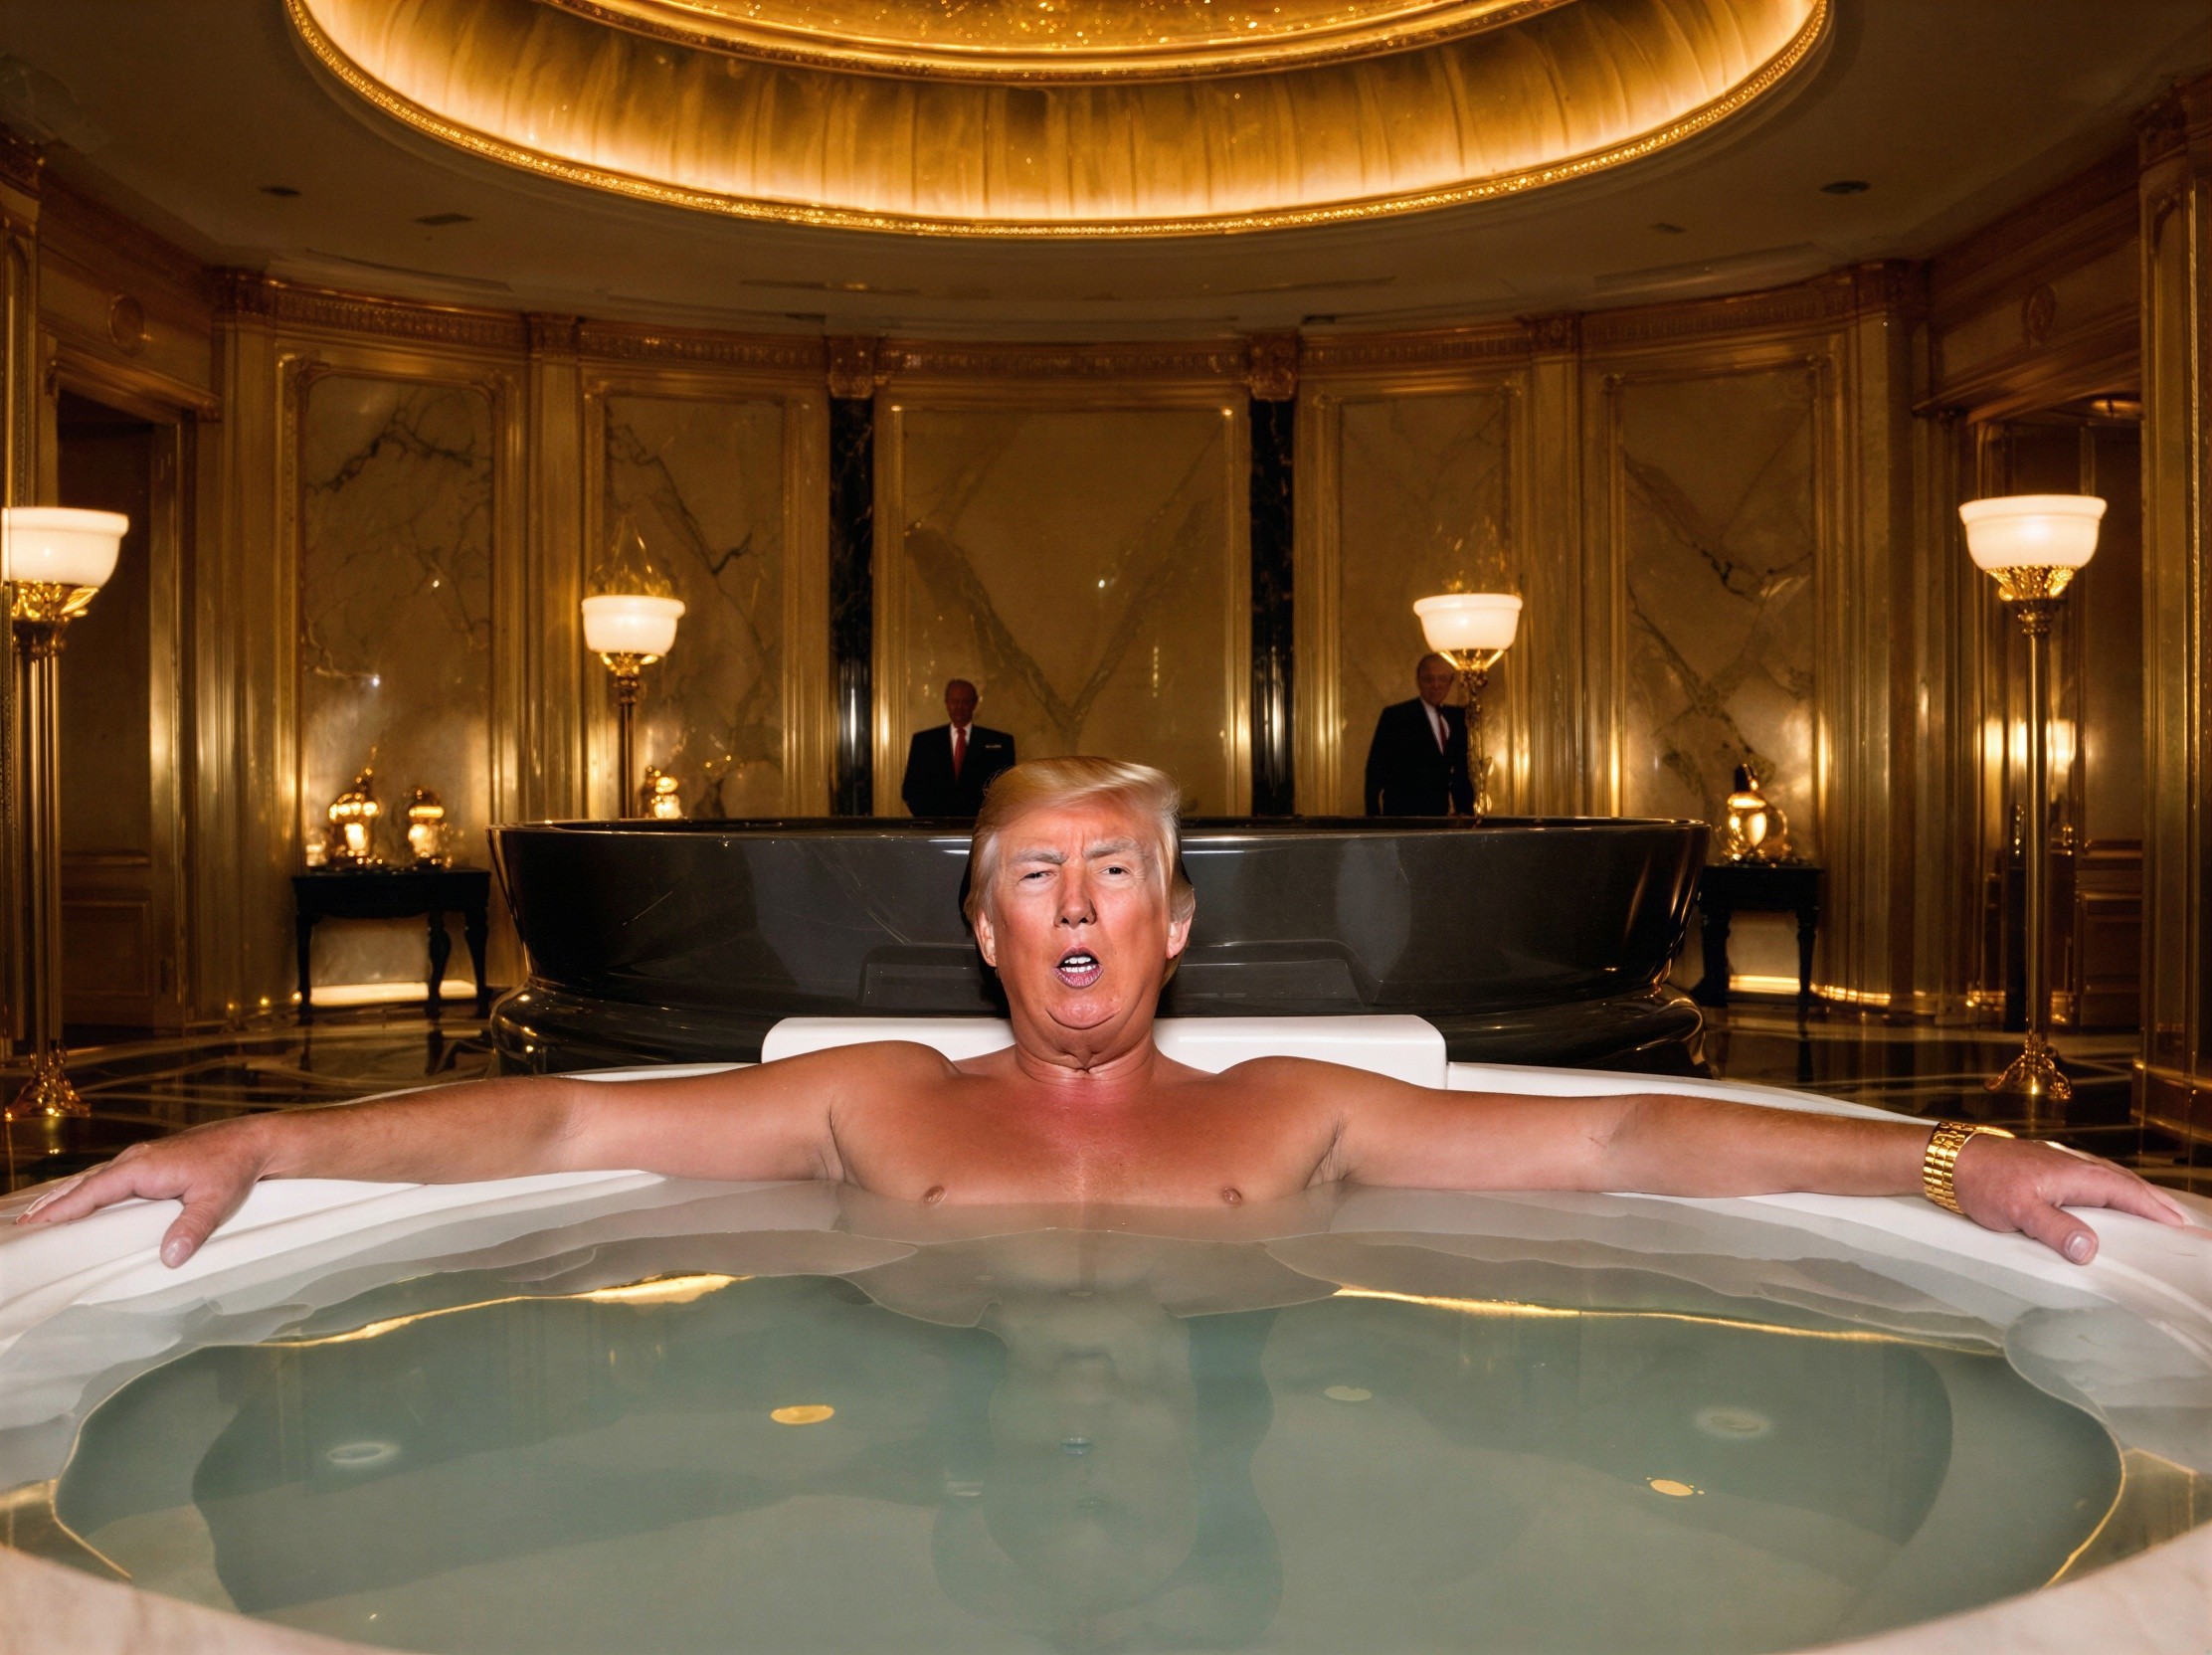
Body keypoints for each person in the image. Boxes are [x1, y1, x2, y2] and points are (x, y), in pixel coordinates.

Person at [17, 757, 2190, 1271]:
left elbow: (1628, 1143)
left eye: (1111, 878)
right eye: (1028, 877)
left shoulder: (1293, 1116)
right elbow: (561, 1133)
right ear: (982, 932)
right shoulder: (871, 1102)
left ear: (1169, 931)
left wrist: (1948, 1157)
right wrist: (266, 1138)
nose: (1072, 907)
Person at [1364, 653, 1473, 816]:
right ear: (1418, 681)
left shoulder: (1457, 717)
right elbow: (1375, 770)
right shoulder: (1396, 716)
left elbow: (1460, 772)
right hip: (1402, 818)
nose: (1436, 685)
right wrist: (1374, 821)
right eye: (1429, 679)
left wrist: (1466, 814)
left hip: (1441, 819)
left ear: (1450, 682)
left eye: (1442, 679)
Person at [901, 678, 1016, 818]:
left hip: (980, 826)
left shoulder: (999, 742)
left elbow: (1006, 790)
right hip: (934, 826)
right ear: (946, 703)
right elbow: (911, 790)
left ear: (974, 703)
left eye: (965, 702)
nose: (959, 707)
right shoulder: (924, 742)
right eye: (955, 702)